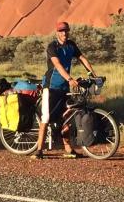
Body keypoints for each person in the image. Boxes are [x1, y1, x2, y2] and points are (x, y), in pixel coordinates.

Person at [31, 21, 96, 159]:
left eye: (66, 31)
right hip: (51, 86)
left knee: (66, 118)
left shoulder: (71, 45)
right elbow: (58, 65)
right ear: (57, 33)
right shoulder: (52, 47)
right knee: (46, 117)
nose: (64, 33)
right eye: (61, 31)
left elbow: (82, 58)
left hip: (64, 88)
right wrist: (69, 79)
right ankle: (39, 151)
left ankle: (68, 149)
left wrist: (92, 74)